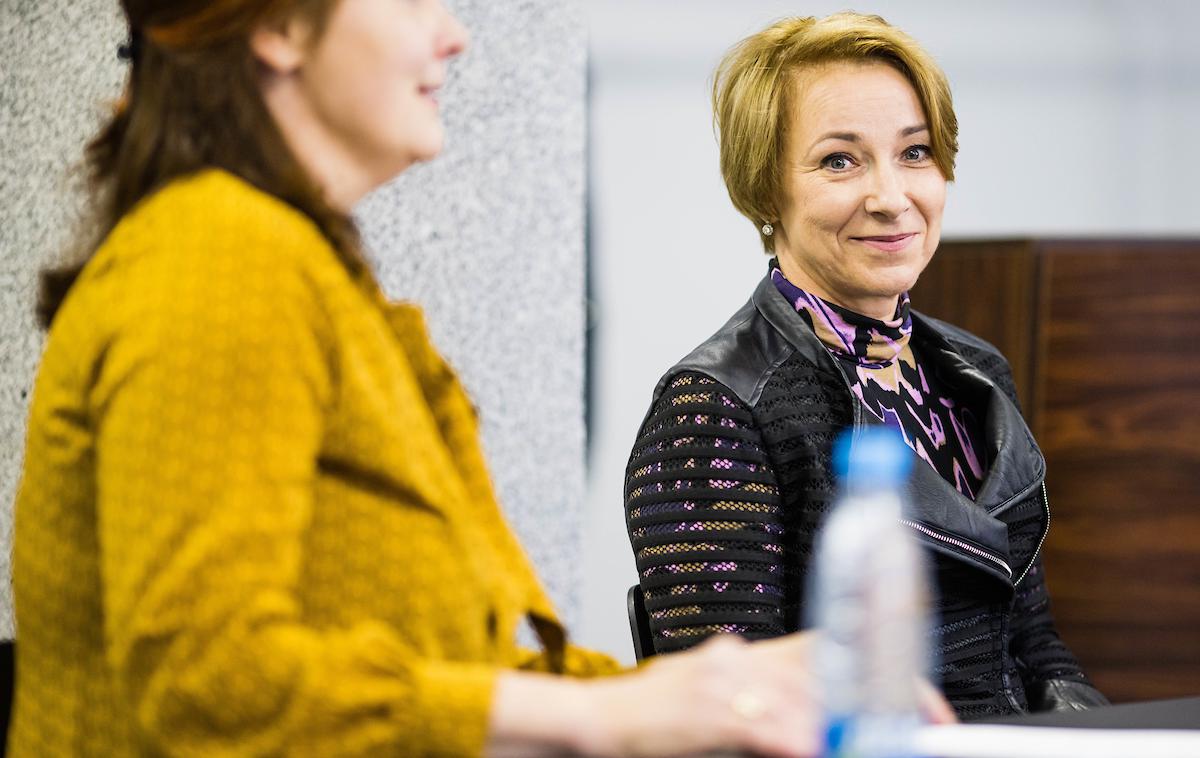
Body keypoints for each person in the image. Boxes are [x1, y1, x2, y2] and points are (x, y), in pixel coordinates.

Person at [5, 1, 914, 756]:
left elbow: (434, 685)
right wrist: (605, 712)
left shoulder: (301, 274)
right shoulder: (219, 253)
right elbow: (205, 682)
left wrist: (714, 689)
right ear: (279, 26)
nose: (454, 35)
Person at [623, 12, 1109, 720]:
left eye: (915, 153)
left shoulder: (972, 375)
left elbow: (1032, 644)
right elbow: (732, 715)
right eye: (839, 161)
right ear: (766, 190)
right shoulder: (712, 408)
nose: (891, 197)